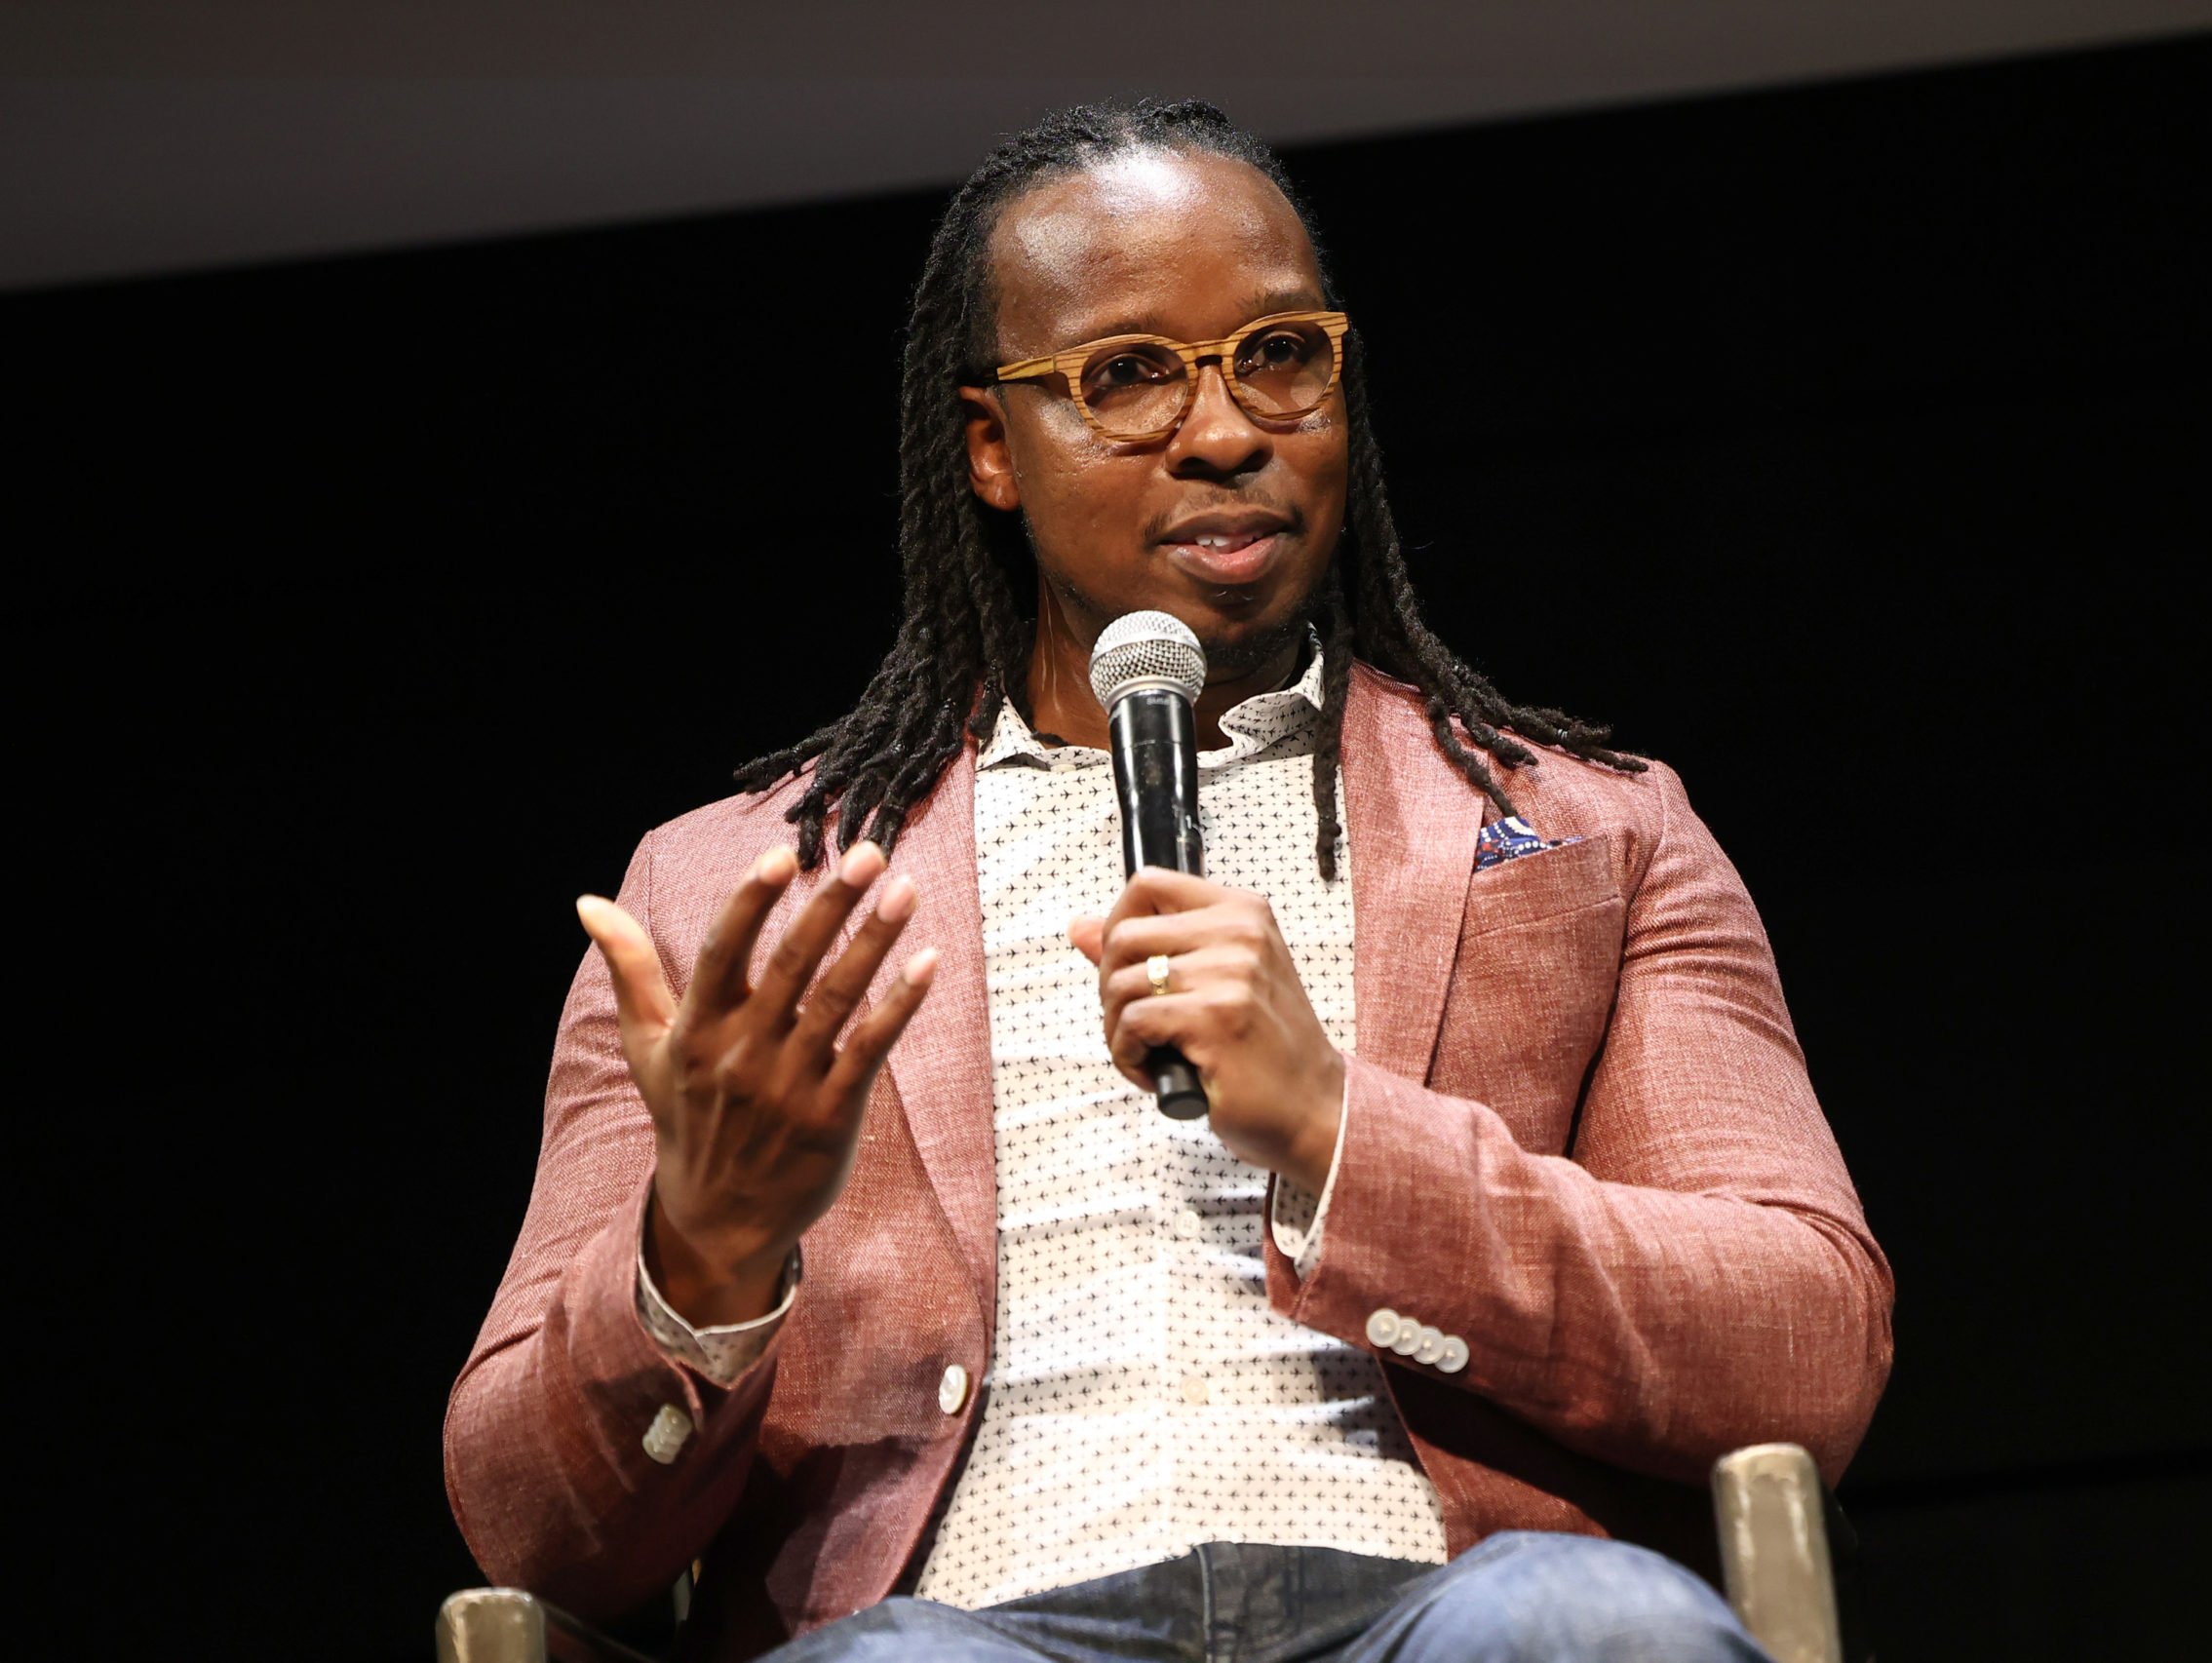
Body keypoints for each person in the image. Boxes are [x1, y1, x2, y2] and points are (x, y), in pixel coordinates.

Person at [446, 100, 1893, 1663]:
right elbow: (533, 1527)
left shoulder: (1590, 834)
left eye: (1278, 352)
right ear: (992, 447)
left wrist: (1343, 1131)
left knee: (1586, 1624)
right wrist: (704, 1255)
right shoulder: (726, 893)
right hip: (972, 1626)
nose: (1223, 429)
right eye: (1127, 377)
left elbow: (1802, 1349)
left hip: (1442, 1608)